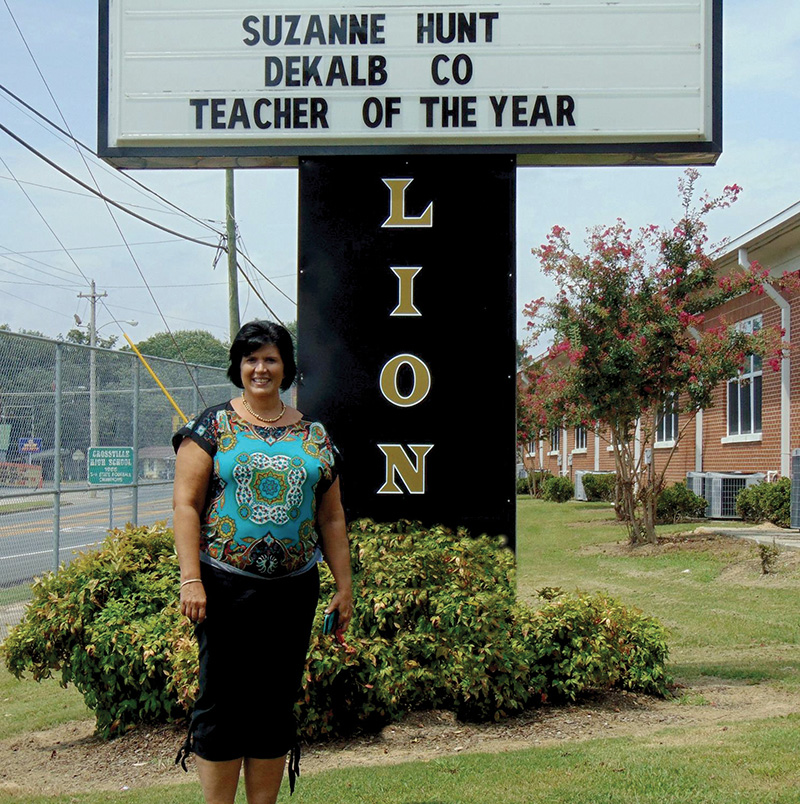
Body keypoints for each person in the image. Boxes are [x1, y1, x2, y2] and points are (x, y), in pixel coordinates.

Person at [172, 320, 353, 804]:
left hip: (294, 591)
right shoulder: (212, 426)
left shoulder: (314, 434)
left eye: (270, 359)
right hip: (225, 589)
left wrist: (344, 585)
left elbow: (331, 518)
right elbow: (185, 506)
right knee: (223, 705)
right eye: (251, 359)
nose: (260, 368)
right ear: (238, 366)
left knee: (274, 706)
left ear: (285, 367)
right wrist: (191, 579)